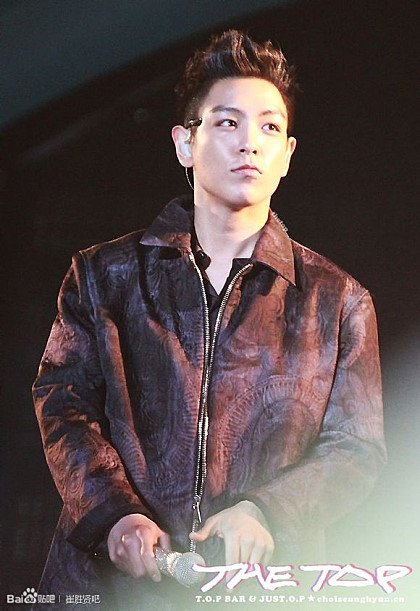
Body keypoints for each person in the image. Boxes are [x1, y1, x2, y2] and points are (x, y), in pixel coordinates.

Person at [33, 30, 386, 609]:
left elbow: (356, 449)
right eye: (227, 122)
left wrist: (266, 510)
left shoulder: (337, 301)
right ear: (185, 143)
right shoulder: (104, 276)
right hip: (112, 585)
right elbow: (63, 402)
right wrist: (115, 515)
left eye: (269, 127)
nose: (249, 142)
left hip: (260, 589)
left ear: (287, 154)